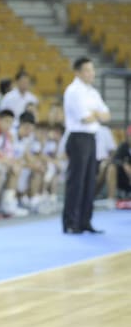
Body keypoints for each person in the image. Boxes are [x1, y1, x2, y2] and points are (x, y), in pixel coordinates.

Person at [62, 57, 110, 234]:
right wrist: (96, 114)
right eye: (88, 70)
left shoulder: (92, 92)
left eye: (92, 69)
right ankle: (71, 221)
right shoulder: (74, 91)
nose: (92, 73)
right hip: (78, 137)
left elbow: (107, 115)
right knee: (77, 181)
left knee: (90, 181)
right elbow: (85, 117)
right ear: (78, 72)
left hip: (91, 137)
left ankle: (85, 220)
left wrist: (95, 114)